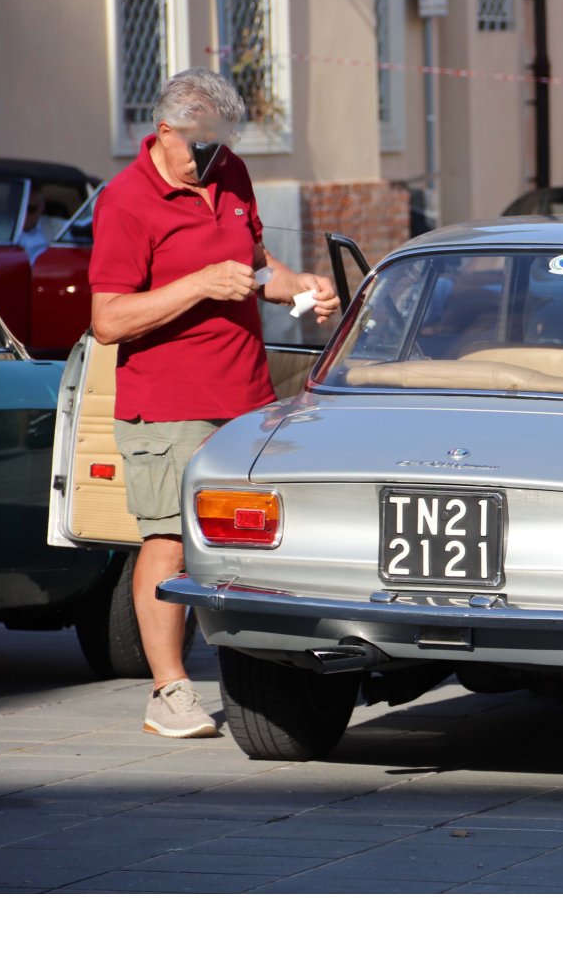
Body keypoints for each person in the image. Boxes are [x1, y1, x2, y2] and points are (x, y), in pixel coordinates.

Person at [88, 67, 340, 737]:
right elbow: (108, 320)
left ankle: (263, 671)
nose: (212, 159)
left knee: (251, 542)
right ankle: (169, 691)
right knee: (168, 542)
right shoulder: (126, 201)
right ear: (165, 131)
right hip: (167, 405)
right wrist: (198, 283)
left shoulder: (229, 177)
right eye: (201, 146)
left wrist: (301, 289)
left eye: (223, 145)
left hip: (246, 398)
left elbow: (255, 266)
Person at [15, 189, 58, 262]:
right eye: (19, 209)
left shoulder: (57, 227)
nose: (25, 214)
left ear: (42, 206)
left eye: (31, 209)